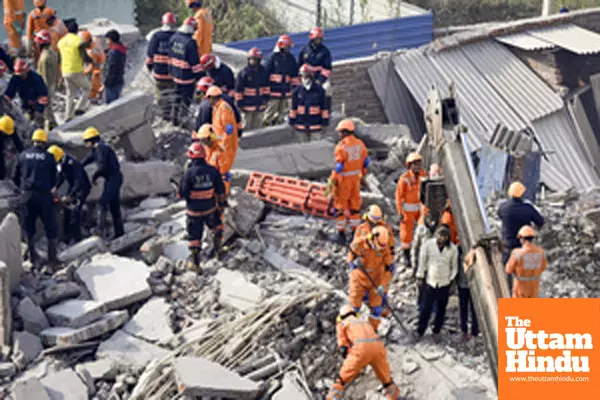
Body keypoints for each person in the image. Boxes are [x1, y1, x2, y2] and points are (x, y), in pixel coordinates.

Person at [326, 305, 401, 400]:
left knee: (341, 379)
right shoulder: (363, 322)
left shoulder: (343, 323)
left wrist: (348, 357)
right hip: (378, 348)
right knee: (386, 379)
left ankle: (331, 398)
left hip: (361, 350)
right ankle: (395, 397)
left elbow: (343, 346)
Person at [11, 129, 58, 267]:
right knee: (50, 226)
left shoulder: (23, 155)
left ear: (33, 141)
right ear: (44, 142)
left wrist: (22, 188)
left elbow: (14, 176)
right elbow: (54, 178)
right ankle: (52, 258)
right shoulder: (49, 157)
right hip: (44, 195)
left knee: (28, 227)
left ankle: (32, 258)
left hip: (26, 195)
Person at [178, 142, 226, 270]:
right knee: (217, 228)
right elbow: (221, 190)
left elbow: (183, 193)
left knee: (194, 238)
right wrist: (222, 204)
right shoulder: (213, 171)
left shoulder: (188, 173)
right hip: (210, 209)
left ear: (191, 156)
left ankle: (196, 264)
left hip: (194, 213)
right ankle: (219, 252)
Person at [324, 119, 368, 243]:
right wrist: (362, 176)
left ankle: (341, 235)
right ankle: (355, 233)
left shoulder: (341, 147)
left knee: (340, 208)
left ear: (344, 132)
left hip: (343, 182)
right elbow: (365, 162)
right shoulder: (360, 144)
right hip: (355, 180)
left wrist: (331, 181)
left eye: (340, 132)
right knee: (355, 207)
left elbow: (339, 167)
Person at [497, 181, 545, 291]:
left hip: (507, 246)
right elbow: (540, 222)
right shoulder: (527, 208)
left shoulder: (503, 207)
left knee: (508, 274)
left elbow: (499, 215)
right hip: (523, 247)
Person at [415, 224, 458, 342]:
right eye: (440, 235)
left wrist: (451, 279)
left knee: (441, 309)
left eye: (444, 236)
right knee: (425, 309)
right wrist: (420, 277)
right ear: (436, 235)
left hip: (444, 283)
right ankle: (420, 331)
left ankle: (436, 331)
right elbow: (422, 261)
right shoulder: (428, 245)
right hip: (430, 282)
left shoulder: (452, 249)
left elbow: (454, 266)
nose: (442, 238)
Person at [81, 127, 124, 240]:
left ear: (90, 140)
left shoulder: (100, 148)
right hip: (114, 178)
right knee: (114, 206)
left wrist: (94, 176)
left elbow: (102, 166)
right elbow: (86, 160)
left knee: (102, 203)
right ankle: (120, 232)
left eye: (86, 142)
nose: (86, 145)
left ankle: (100, 230)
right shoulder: (99, 148)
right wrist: (78, 166)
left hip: (112, 178)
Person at [347, 226, 392, 332]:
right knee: (354, 307)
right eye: (380, 245)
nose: (381, 248)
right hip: (359, 278)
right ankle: (353, 330)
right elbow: (350, 257)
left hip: (376, 280)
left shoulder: (384, 248)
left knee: (377, 309)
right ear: (373, 237)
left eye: (383, 246)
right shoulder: (359, 244)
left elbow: (388, 269)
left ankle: (372, 331)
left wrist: (383, 285)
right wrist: (353, 263)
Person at [354, 205, 396, 317]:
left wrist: (389, 263)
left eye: (377, 221)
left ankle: (381, 308)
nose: (374, 224)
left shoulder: (385, 229)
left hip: (381, 261)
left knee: (381, 287)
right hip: (367, 261)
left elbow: (390, 246)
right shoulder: (362, 229)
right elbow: (355, 245)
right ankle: (368, 304)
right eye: (373, 221)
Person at [48, 145, 91, 244]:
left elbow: (78, 181)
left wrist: (71, 196)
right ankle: (66, 237)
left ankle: (77, 239)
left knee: (75, 212)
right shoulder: (61, 162)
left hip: (81, 188)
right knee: (66, 211)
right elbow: (61, 176)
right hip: (73, 186)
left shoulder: (72, 163)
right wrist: (55, 187)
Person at [396, 152, 427, 269]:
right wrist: (400, 212)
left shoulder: (423, 175)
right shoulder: (404, 179)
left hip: (420, 208)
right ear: (409, 166)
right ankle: (407, 256)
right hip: (408, 210)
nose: (417, 166)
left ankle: (421, 253)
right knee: (406, 234)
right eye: (415, 164)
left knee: (423, 229)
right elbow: (399, 197)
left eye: (418, 164)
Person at [168, 17, 202, 126]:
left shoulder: (173, 38)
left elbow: (170, 57)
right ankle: (183, 122)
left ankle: (174, 120)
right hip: (187, 77)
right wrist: (201, 77)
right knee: (185, 101)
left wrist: (171, 72)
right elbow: (195, 64)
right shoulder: (190, 43)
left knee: (176, 99)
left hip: (175, 75)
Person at [58, 19, 92, 121]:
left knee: (70, 94)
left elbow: (60, 57)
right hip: (76, 70)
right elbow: (84, 55)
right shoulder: (78, 41)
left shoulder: (61, 42)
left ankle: (68, 116)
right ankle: (79, 108)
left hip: (65, 71)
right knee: (87, 87)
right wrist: (91, 61)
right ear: (77, 30)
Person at [147, 12, 177, 120]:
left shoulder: (156, 36)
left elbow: (149, 55)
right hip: (173, 74)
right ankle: (172, 115)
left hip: (159, 73)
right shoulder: (177, 37)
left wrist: (150, 67)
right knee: (173, 95)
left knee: (161, 95)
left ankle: (165, 116)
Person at [263, 34, 299, 126]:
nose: (288, 49)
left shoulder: (291, 59)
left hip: (285, 93)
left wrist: (295, 91)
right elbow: (265, 75)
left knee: (282, 116)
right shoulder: (272, 58)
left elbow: (295, 76)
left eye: (289, 47)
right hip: (273, 93)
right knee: (268, 116)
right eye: (286, 46)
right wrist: (266, 92)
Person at [288, 64, 329, 142]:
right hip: (301, 127)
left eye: (306, 76)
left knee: (316, 149)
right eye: (303, 76)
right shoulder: (296, 91)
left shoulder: (319, 90)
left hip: (315, 126)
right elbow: (293, 109)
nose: (304, 78)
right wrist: (291, 123)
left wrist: (325, 123)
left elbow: (324, 108)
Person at [505, 226, 547, 298]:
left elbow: (508, 270)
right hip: (534, 287)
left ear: (522, 239)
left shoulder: (517, 253)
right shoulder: (540, 252)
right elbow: (543, 267)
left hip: (520, 287)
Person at [5, 58, 48, 128]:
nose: (21, 76)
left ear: (26, 70)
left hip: (36, 103)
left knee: (38, 122)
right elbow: (10, 93)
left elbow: (43, 95)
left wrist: (39, 110)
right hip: (24, 104)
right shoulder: (15, 78)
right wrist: (6, 103)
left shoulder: (36, 78)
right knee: (24, 123)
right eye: (19, 74)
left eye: (22, 74)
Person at [235, 47, 269, 131]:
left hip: (260, 105)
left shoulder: (263, 72)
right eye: (251, 59)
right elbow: (238, 90)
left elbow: (266, 87)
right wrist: (240, 104)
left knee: (258, 128)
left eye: (255, 59)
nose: (253, 61)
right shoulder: (243, 73)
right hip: (247, 107)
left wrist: (266, 99)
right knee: (246, 127)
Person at [206, 86, 238, 174]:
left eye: (209, 98)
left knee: (222, 170)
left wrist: (223, 145)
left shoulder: (224, 108)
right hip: (218, 143)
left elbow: (228, 129)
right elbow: (216, 128)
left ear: (213, 98)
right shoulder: (217, 108)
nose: (208, 101)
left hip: (224, 146)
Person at [299, 27, 332, 108]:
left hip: (320, 78)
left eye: (320, 39)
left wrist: (320, 80)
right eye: (317, 38)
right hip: (306, 77)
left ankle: (327, 110)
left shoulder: (325, 52)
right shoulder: (304, 50)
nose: (318, 41)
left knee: (327, 89)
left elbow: (327, 68)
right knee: (301, 91)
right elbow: (300, 65)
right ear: (312, 38)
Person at [193, 123, 230, 194]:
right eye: (201, 140)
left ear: (211, 137)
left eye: (204, 140)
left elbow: (224, 175)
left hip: (217, 189)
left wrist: (222, 193)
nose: (203, 143)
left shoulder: (220, 152)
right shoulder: (205, 150)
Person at [35, 29, 58, 131]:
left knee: (46, 108)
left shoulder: (44, 58)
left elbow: (43, 76)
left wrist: (41, 91)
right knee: (48, 107)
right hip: (52, 83)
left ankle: (52, 124)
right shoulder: (53, 52)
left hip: (46, 86)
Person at [78, 30, 105, 104]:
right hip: (99, 62)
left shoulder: (92, 52)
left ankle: (93, 99)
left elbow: (91, 66)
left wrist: (82, 73)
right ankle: (97, 96)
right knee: (97, 82)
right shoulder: (95, 40)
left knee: (94, 84)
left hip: (96, 66)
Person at [103, 29, 126, 104]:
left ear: (110, 40)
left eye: (106, 40)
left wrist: (107, 82)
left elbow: (111, 69)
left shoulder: (113, 53)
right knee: (116, 102)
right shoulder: (121, 48)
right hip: (119, 79)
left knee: (109, 104)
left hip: (112, 82)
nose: (106, 42)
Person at [0, 115, 24, 180]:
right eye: (5, 133)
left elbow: (17, 142)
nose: (6, 134)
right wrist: (5, 153)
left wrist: (23, 154)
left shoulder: (9, 127)